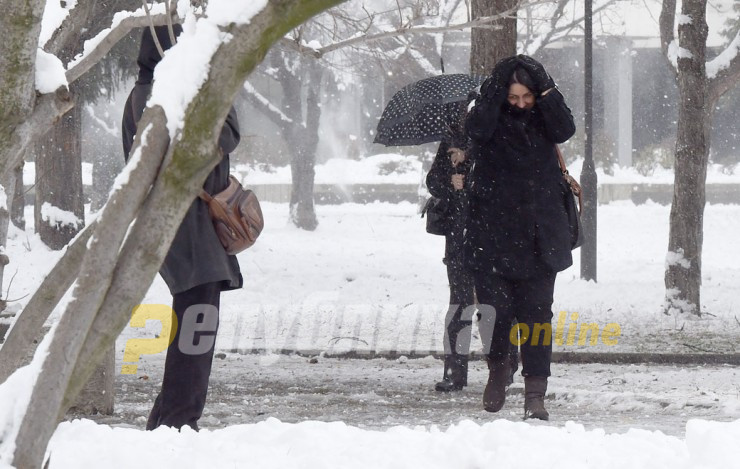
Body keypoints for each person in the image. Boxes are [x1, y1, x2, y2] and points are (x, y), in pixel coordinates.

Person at [121, 25, 243, 431]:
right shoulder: (169, 95)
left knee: (193, 325)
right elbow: (221, 138)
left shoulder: (148, 94)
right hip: (186, 227)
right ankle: (178, 421)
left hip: (182, 226)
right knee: (197, 327)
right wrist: (215, 88)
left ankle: (169, 418)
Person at [463, 55, 576, 420]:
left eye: (527, 96)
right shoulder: (487, 115)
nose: (521, 104)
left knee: (537, 316)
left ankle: (535, 393)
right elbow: (476, 129)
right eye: (514, 97)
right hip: (492, 233)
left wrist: (546, 87)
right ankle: (499, 368)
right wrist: (496, 91)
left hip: (540, 233)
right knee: (495, 311)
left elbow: (565, 129)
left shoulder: (544, 115)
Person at [426, 99, 518, 393]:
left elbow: (507, 182)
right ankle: (455, 370)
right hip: (460, 237)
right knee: (460, 304)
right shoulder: (451, 139)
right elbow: (433, 181)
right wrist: (449, 181)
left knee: (498, 306)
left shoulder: (500, 138)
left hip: (494, 237)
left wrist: (472, 165)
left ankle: (505, 367)